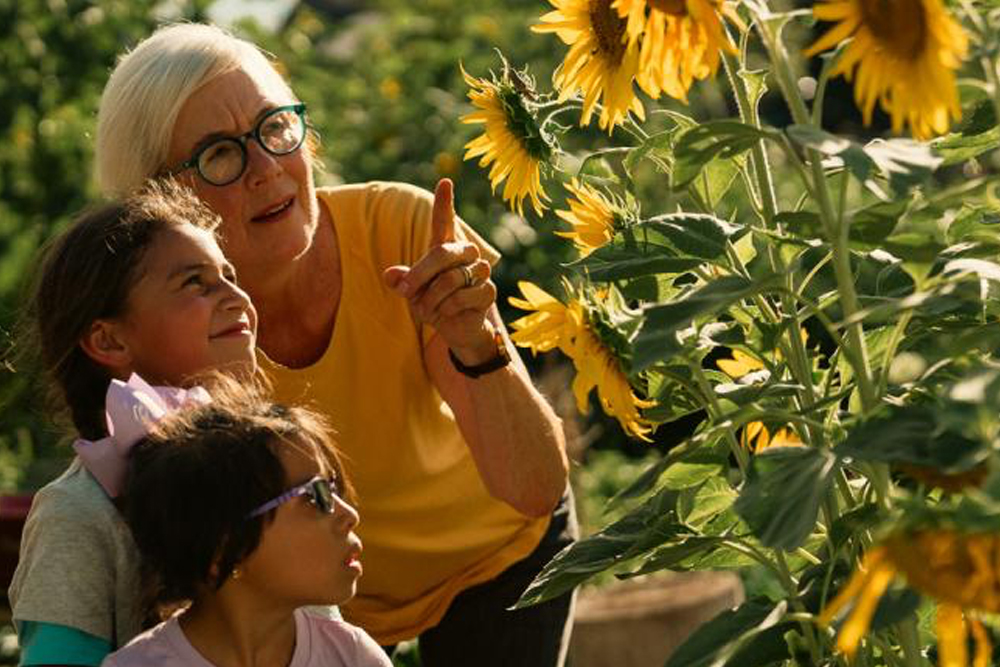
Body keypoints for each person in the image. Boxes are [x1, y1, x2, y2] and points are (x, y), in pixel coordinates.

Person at [95, 22, 575, 665]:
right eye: (219, 154)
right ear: (157, 200)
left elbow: (536, 486)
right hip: (322, 598)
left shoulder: (402, 228)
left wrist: (475, 341)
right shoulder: (179, 332)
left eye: (275, 128)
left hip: (497, 558)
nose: (266, 168)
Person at [9, 180, 258, 664]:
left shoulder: (279, 480)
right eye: (195, 283)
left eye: (230, 275)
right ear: (108, 341)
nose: (237, 296)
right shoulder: (76, 515)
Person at [103, 382, 390, 667]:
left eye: (334, 488)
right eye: (316, 496)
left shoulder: (354, 657)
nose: (349, 514)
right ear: (223, 547)